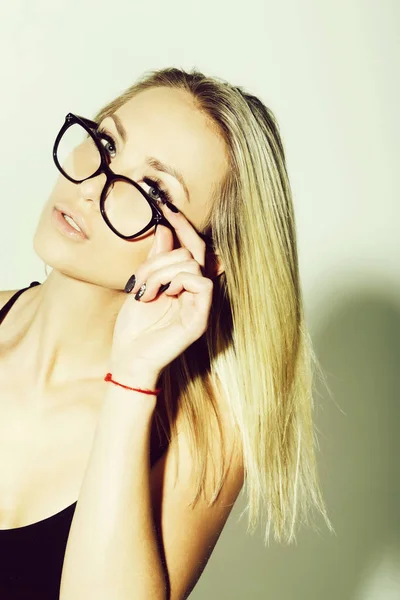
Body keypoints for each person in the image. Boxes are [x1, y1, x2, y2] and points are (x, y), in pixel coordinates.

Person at [0, 67, 334, 599]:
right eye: (106, 143)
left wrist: (131, 379)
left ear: (207, 257)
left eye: (153, 190)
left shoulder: (202, 441)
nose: (92, 183)